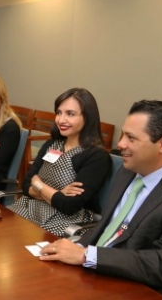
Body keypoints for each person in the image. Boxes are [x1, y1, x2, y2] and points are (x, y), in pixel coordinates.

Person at [39, 100, 162, 300]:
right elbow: (108, 228)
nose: (120, 144)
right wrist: (75, 247)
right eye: (123, 135)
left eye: (131, 138)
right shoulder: (128, 171)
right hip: (100, 276)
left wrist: (86, 255)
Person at [9, 88, 111, 236]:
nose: (61, 120)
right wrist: (58, 194)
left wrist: (38, 184)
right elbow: (25, 185)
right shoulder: (52, 144)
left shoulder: (97, 156)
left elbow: (69, 206)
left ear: (87, 117)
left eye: (70, 114)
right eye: (59, 112)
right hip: (28, 208)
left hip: (65, 221)